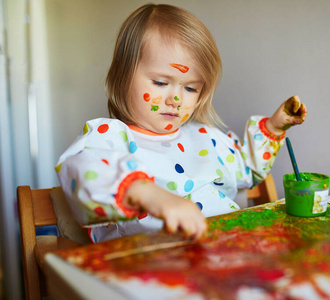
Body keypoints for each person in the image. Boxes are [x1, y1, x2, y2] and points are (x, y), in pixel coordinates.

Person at [55, 3, 307, 243]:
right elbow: (82, 170)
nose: (175, 99)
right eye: (161, 83)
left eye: (189, 88)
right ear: (123, 77)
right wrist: (147, 194)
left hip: (224, 254)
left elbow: (247, 171)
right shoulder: (109, 138)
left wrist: (273, 128)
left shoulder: (207, 138)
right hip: (147, 268)